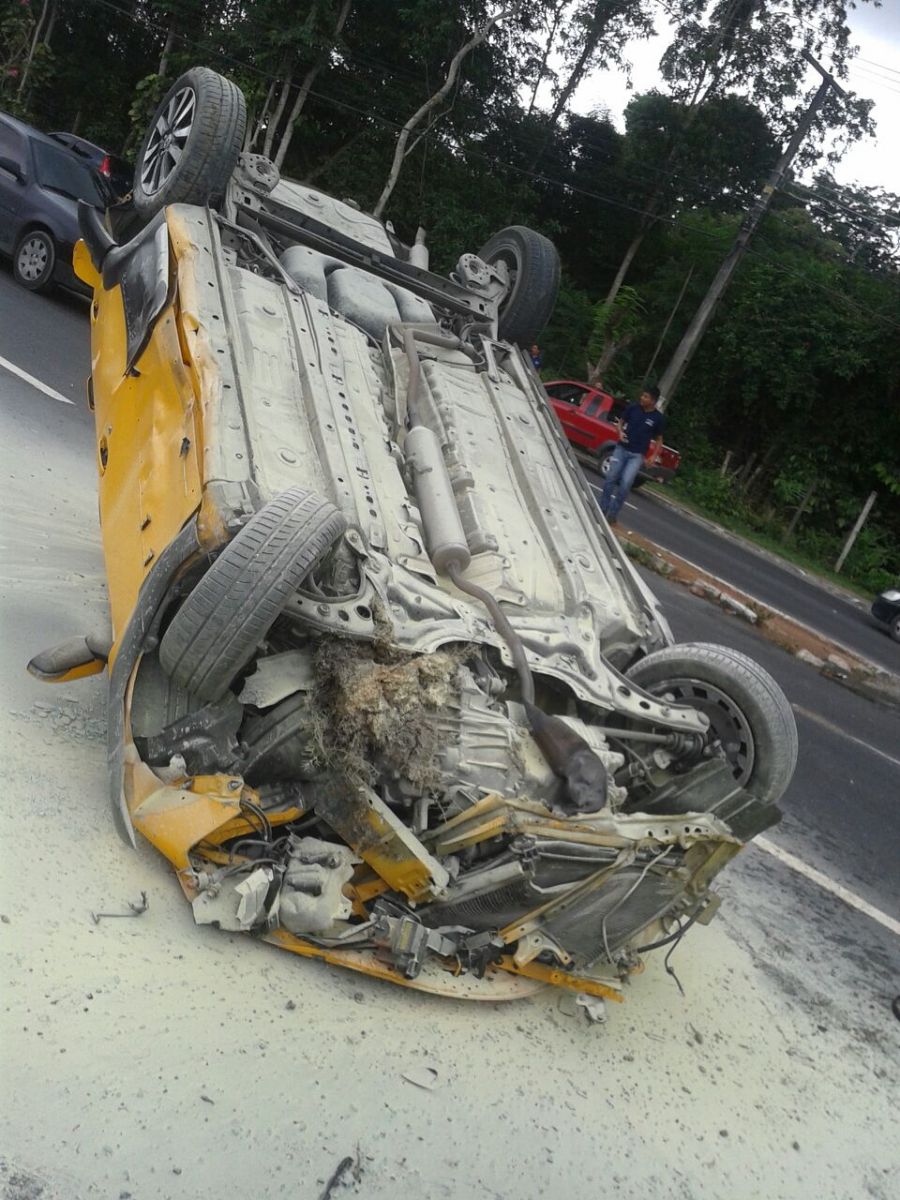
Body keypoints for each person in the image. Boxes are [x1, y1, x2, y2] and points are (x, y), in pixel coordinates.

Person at [598, 385, 664, 525]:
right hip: (621, 449)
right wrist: (620, 432)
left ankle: (613, 514)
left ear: (653, 401)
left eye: (646, 397)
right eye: (642, 395)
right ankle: (603, 508)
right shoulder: (633, 408)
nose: (642, 398)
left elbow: (659, 440)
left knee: (626, 484)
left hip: (637, 455)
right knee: (610, 478)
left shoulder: (657, 418)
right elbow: (620, 423)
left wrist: (653, 456)